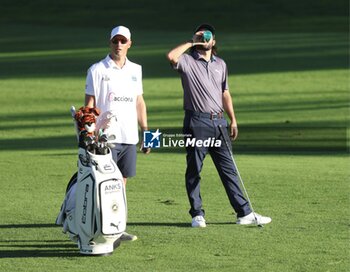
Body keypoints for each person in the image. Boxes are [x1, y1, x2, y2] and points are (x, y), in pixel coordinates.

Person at [166, 23, 271, 228]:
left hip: (219, 122)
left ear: (214, 41)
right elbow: (171, 56)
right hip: (196, 122)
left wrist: (233, 119)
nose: (204, 39)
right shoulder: (187, 60)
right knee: (195, 168)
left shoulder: (220, 64)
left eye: (208, 36)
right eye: (200, 35)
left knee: (229, 169)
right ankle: (197, 214)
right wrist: (191, 41)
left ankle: (244, 213)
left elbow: (225, 93)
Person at [85, 25, 150, 240]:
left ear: (130, 43)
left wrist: (146, 133)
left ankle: (117, 228)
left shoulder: (136, 70)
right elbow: (90, 105)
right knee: (105, 185)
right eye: (115, 41)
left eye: (123, 41)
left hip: (129, 136)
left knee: (121, 186)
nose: (119, 45)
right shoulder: (97, 70)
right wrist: (90, 132)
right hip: (105, 138)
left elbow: (139, 102)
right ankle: (100, 227)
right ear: (110, 42)